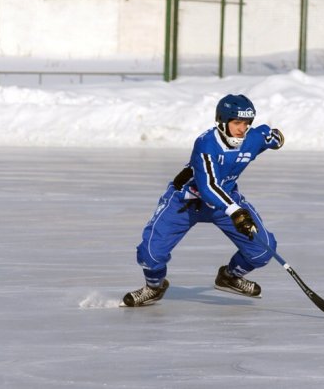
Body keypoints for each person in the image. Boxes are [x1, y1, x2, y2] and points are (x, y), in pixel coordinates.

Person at [122, 94, 284, 307]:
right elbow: (208, 187)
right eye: (236, 122)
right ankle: (153, 287)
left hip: (225, 200)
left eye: (246, 123)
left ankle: (230, 277)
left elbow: (269, 136)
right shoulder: (206, 144)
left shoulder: (252, 138)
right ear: (222, 121)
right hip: (186, 202)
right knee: (150, 254)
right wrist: (235, 211)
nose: (242, 128)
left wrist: (275, 138)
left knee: (263, 250)